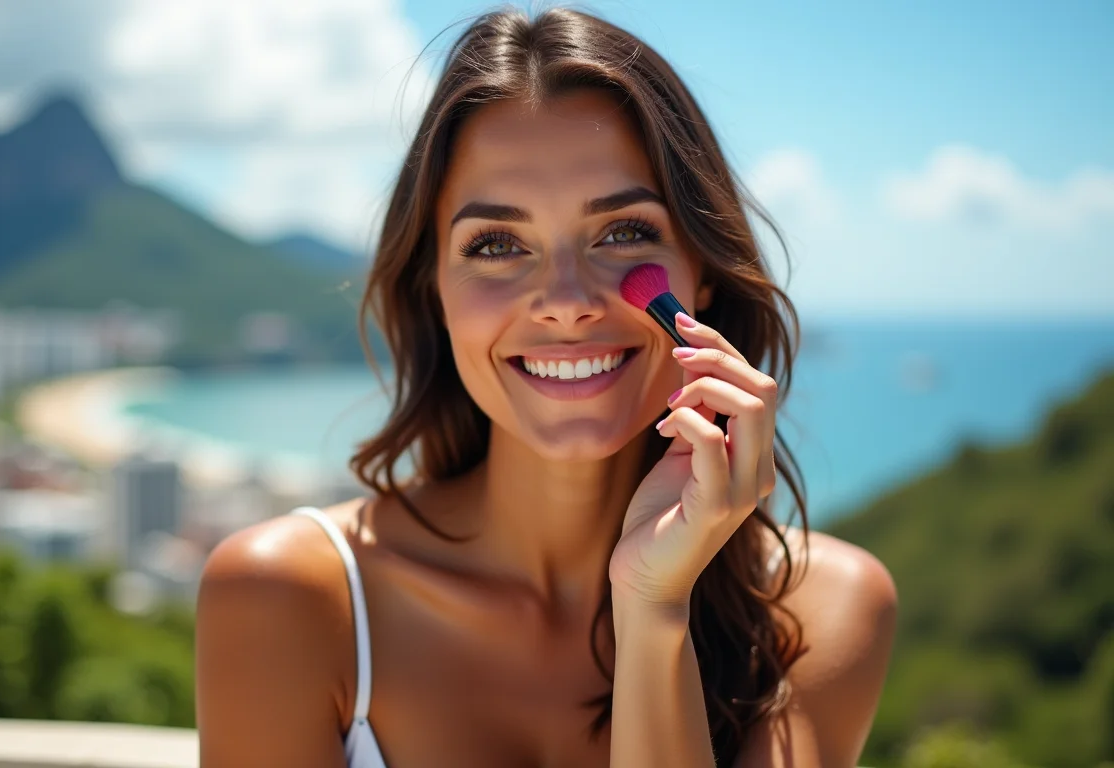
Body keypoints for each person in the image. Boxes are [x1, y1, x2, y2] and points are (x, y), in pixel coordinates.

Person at [196, 7, 897, 767]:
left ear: (703, 276)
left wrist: (654, 609)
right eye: (497, 244)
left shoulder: (822, 611)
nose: (567, 299)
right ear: (434, 290)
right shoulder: (289, 598)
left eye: (625, 232)